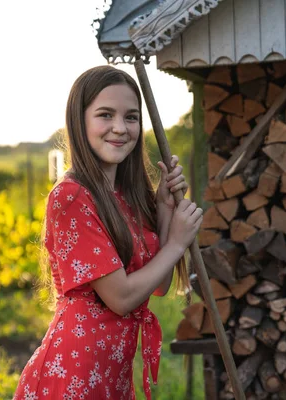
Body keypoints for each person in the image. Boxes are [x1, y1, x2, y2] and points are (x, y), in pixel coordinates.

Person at [13, 65, 203, 400]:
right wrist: (176, 243)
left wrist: (163, 213)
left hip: (111, 374)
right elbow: (122, 298)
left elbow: (155, 287)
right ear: (79, 120)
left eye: (131, 117)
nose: (120, 128)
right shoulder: (71, 196)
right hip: (75, 375)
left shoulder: (125, 197)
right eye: (105, 115)